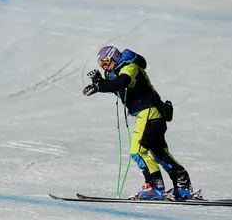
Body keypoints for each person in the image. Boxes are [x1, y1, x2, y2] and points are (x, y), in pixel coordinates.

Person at [82, 45, 199, 200]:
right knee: (159, 153)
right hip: (153, 114)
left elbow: (121, 82)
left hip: (148, 113)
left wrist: (99, 86)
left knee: (137, 151)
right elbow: (115, 84)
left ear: (114, 57)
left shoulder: (129, 67)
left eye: (105, 62)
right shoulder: (120, 70)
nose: (105, 67)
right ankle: (183, 187)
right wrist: (100, 80)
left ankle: (155, 188)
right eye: (101, 65)